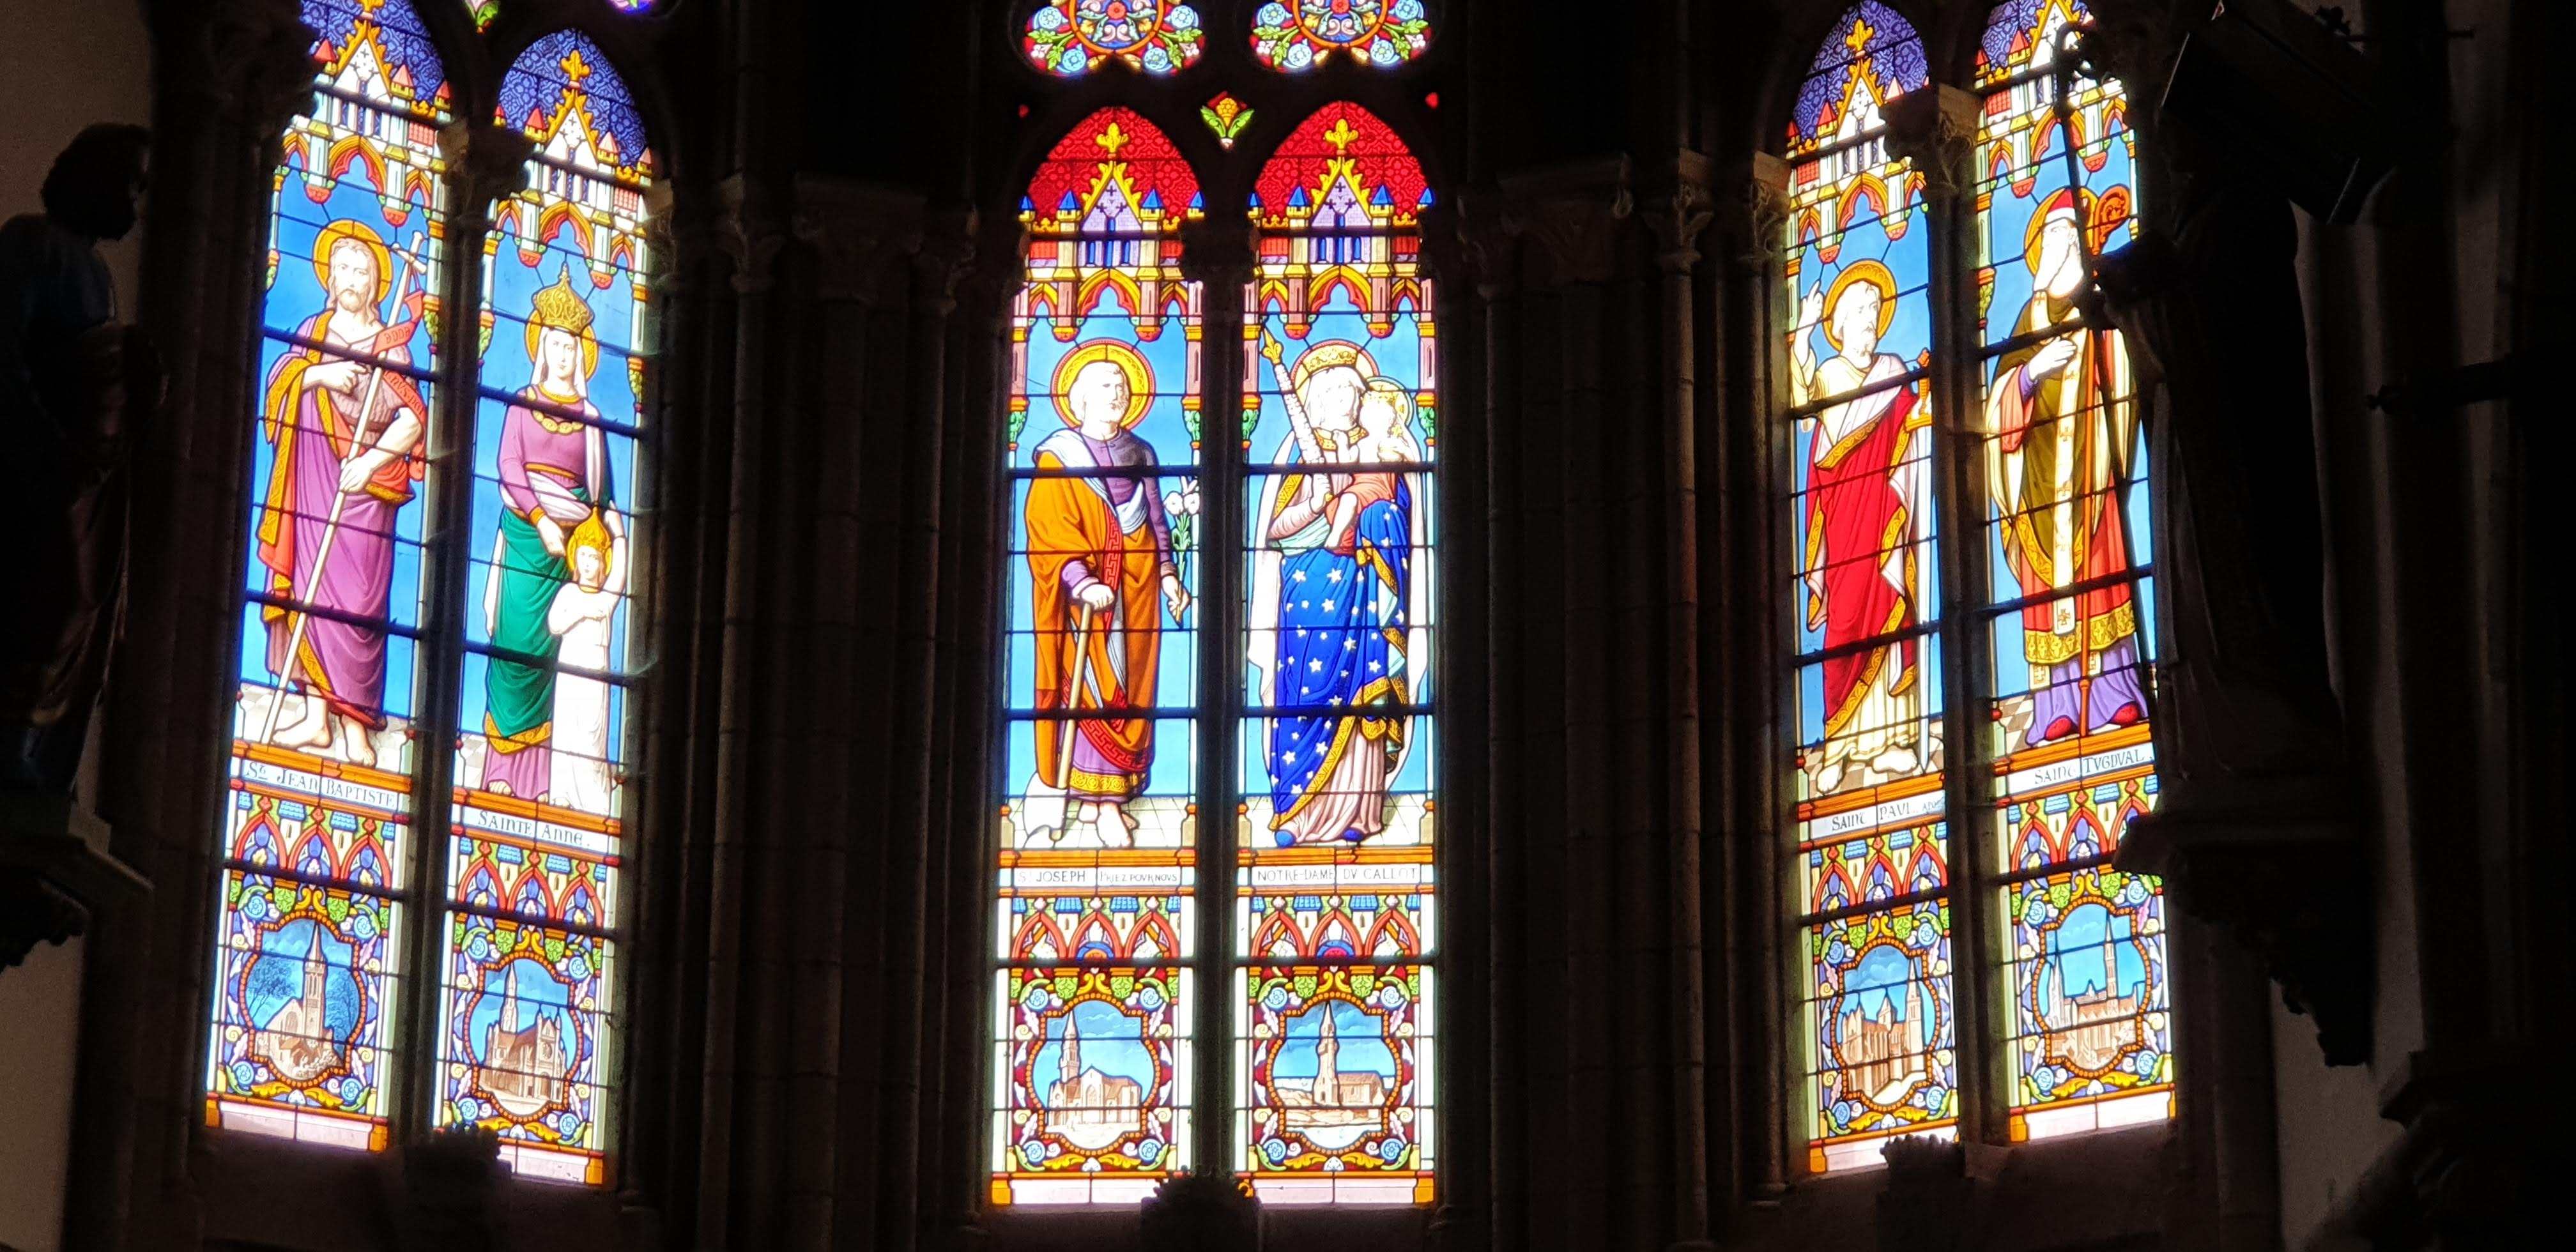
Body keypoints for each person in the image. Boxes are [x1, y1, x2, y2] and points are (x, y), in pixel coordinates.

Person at [0, 122, 153, 792]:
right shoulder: (32, 243)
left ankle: (26, 746)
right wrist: (43, 445)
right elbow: (6, 349)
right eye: (131, 184)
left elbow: (97, 380)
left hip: (79, 486)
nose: (135, 204)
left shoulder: (98, 276)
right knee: (29, 606)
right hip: (30, 478)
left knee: (65, 612)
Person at [254, 218, 426, 768]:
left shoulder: (391, 347)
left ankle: (356, 727)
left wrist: (370, 463)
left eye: (361, 270)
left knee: (358, 607)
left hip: (366, 490)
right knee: (308, 592)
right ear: (329, 278)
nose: (351, 278)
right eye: (343, 268)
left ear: (377, 283)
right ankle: (315, 718)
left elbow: (413, 420)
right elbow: (280, 386)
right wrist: (318, 377)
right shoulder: (314, 331)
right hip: (310, 485)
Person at [1984, 189, 2145, 747]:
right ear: (2038, 249)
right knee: (2044, 588)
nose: (2063, 243)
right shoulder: (2027, 320)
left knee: (2103, 569)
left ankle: (2115, 692)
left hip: (2089, 468)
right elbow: (1996, 406)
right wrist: (2031, 375)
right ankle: (2055, 705)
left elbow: (2125, 366)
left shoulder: (2096, 302)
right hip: (2035, 480)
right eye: (2052, 235)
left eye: (2070, 234)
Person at [1023, 349, 1190, 847]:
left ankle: (1114, 796)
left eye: (1122, 385)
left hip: (1138, 590)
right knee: (1092, 691)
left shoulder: (1142, 452)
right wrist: (1080, 580)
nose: (1117, 393)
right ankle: (1096, 802)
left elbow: (1156, 518)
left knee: (1133, 692)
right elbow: (1048, 527)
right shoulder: (1058, 456)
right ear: (1078, 398)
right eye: (1105, 385)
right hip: (1085, 601)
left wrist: (1169, 575)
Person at [1789, 259, 1931, 793]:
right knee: (1845, 626)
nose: (1870, 318)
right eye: (1860, 309)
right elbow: (1802, 409)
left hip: (1885, 518)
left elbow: (1913, 422)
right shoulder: (1829, 376)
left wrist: (1924, 404)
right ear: (1841, 323)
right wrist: (1802, 335)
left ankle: (1891, 740)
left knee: (1888, 617)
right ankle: (1839, 744)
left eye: (1875, 309)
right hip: (1843, 520)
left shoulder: (1894, 370)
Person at [1261, 354, 1413, 846]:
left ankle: (1359, 811)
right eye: (1329, 393)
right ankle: (1298, 812)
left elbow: (1402, 516)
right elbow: (1276, 531)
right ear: (1313, 403)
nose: (1342, 400)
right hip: (1309, 588)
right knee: (1304, 693)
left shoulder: (1384, 452)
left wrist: (1372, 517)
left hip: (1366, 584)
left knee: (1363, 690)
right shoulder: (1301, 454)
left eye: (1350, 391)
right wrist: (1315, 502)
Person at [481, 264, 613, 800]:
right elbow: (508, 466)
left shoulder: (592, 419)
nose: (562, 354)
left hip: (569, 556)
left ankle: (541, 781)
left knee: (551, 664)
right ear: (541, 347)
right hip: (525, 542)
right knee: (511, 651)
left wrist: (602, 543)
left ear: (581, 354)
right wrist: (540, 519)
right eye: (555, 344)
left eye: (570, 346)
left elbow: (601, 496)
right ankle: (499, 771)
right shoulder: (520, 404)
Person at [546, 510, 625, 815]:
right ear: (575, 559)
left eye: (594, 557)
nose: (588, 563)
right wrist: (581, 612)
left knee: (592, 735)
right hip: (570, 671)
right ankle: (563, 794)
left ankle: (593, 801)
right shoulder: (569, 592)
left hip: (595, 674)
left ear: (603, 562)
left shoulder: (606, 599)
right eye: (583, 555)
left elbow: (620, 577)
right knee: (567, 730)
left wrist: (619, 536)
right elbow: (554, 625)